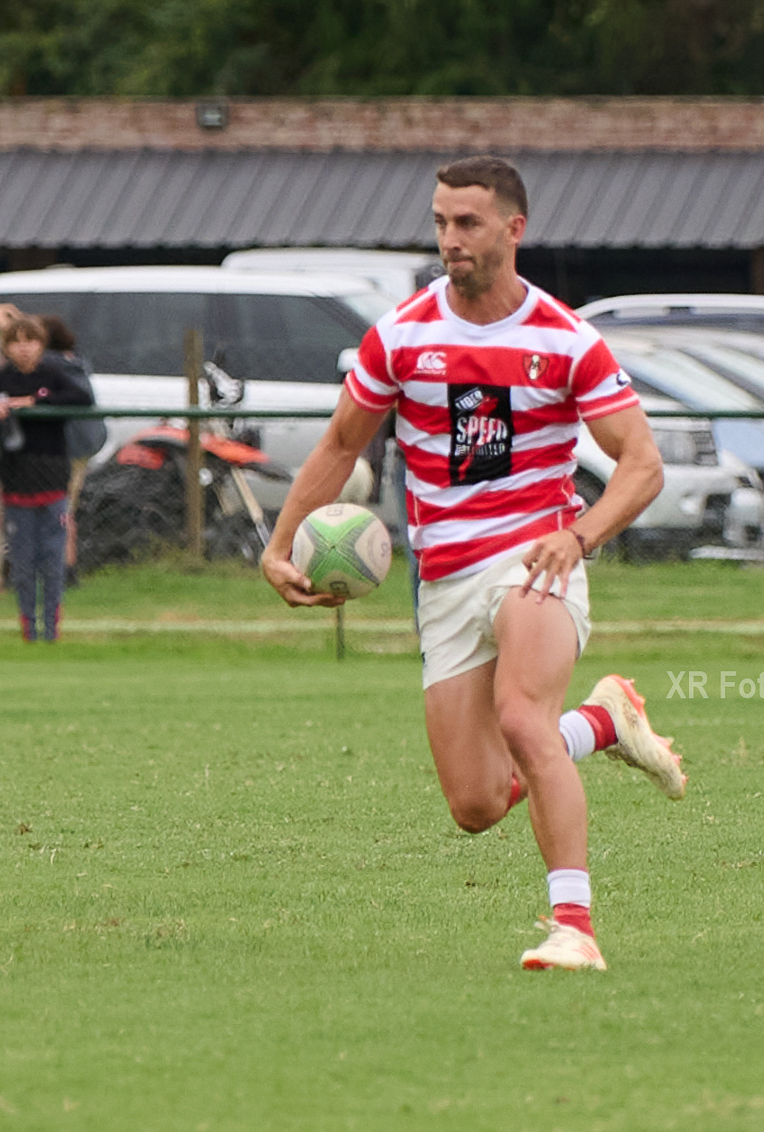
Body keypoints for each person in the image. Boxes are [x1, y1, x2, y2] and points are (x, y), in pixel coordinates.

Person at [262, 156, 686, 972]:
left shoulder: (566, 340)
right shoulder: (402, 336)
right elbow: (340, 445)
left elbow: (642, 464)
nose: (450, 239)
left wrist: (579, 536)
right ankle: (604, 722)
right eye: (441, 222)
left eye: (468, 223)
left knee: (524, 721)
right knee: (477, 803)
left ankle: (574, 928)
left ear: (513, 229)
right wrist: (279, 544)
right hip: (445, 579)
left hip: (536, 560)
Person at [0, 317, 93, 641]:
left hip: (53, 480)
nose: (24, 348)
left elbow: (82, 398)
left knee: (52, 560)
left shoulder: (53, 377)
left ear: (42, 345)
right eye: (16, 341)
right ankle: (28, 627)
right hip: (15, 481)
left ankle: (51, 629)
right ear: (6, 346)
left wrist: (35, 403)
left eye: (31, 341)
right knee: (23, 562)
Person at [39, 314, 106, 587]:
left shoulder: (50, 365)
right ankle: (65, 568)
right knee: (66, 507)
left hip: (65, 447)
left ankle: (63, 569)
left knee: (58, 507)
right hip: (82, 445)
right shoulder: (75, 364)